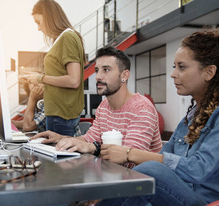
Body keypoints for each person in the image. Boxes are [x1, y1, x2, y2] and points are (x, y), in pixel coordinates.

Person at [62, 28, 219, 206]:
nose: (173, 74)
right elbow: (168, 156)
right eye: (174, 66)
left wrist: (129, 153)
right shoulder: (193, 116)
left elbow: (197, 169)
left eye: (181, 67)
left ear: (209, 72)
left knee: (152, 170)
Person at [33, 46, 163, 168]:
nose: (98, 76)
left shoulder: (141, 108)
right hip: (113, 177)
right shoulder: (104, 106)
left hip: (140, 183)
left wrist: (93, 148)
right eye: (97, 70)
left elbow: (127, 162)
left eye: (106, 70)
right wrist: (61, 138)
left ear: (124, 76)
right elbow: (88, 139)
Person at [22, 0, 86, 136]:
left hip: (61, 116)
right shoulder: (63, 39)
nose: (38, 28)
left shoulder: (67, 37)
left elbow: (74, 81)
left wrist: (41, 77)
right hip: (57, 115)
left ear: (49, 17)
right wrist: (39, 78)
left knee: (61, 156)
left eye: (38, 22)